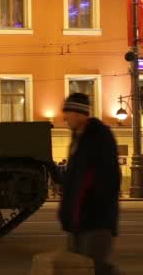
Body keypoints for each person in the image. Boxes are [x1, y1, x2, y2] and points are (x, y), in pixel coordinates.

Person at [50, 93, 120, 275]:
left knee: (96, 269)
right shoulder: (77, 140)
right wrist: (66, 214)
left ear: (80, 114)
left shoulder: (100, 138)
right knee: (80, 269)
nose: (65, 118)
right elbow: (73, 182)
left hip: (95, 222)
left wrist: (93, 210)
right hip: (78, 222)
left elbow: (107, 181)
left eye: (68, 112)